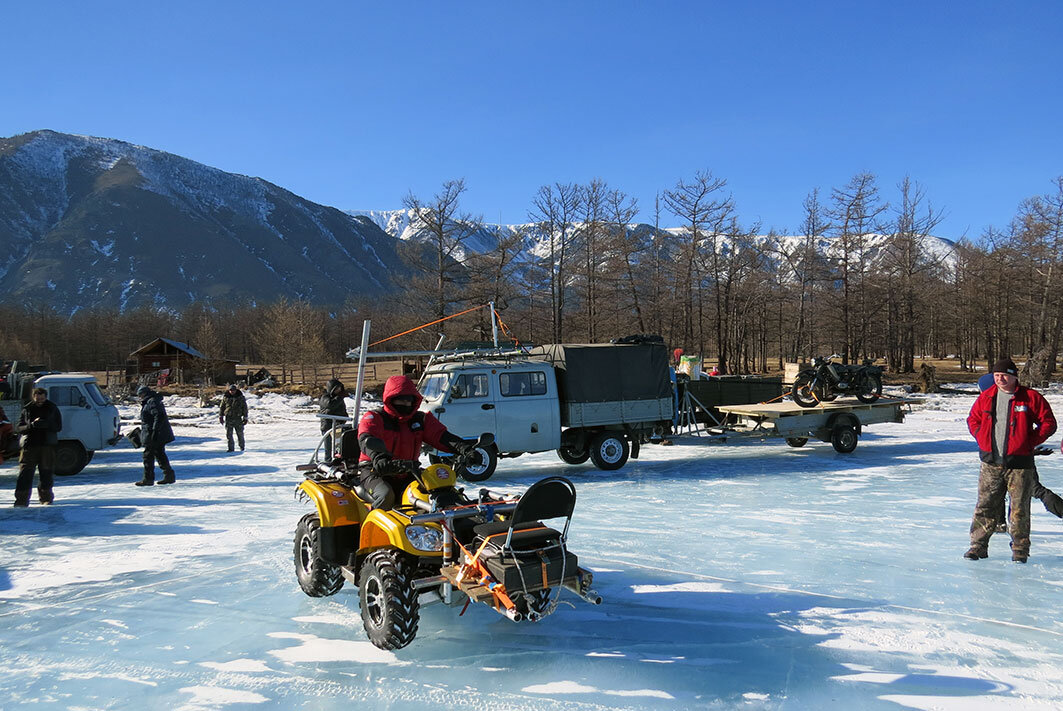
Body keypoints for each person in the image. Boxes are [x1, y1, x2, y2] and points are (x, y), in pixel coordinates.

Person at [965, 358, 1057, 562]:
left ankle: (1020, 550)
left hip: (1019, 465)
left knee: (1019, 510)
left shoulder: (1030, 398)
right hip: (991, 463)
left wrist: (1029, 441)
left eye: (1004, 375)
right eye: (997, 376)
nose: (1000, 379)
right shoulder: (987, 397)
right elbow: (973, 419)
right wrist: (981, 437)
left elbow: (1048, 423)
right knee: (985, 506)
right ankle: (978, 546)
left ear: (1014, 376)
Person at [356, 375, 471, 510]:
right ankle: (371, 530)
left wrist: (465, 449)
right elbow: (366, 438)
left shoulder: (420, 419)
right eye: (400, 400)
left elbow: (441, 436)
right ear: (390, 399)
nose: (405, 404)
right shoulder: (374, 418)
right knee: (386, 495)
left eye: (409, 400)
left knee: (442, 492)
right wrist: (378, 457)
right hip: (375, 470)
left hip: (409, 469)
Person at [975, 371, 1063, 526]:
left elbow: (1018, 433)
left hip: (1019, 461)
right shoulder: (994, 402)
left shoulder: (1011, 402)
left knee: (1034, 490)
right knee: (1000, 491)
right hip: (1007, 457)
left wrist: (1028, 445)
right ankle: (1000, 522)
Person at [13, 388, 62, 506]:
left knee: (46, 473)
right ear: (33, 397)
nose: (40, 400)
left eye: (42, 398)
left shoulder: (52, 408)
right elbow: (19, 428)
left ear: (46, 397)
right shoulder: (27, 409)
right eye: (37, 398)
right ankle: (21, 501)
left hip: (47, 446)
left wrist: (47, 425)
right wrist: (31, 425)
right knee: (25, 474)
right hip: (29, 446)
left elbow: (58, 427)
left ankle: (46, 498)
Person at [136, 385, 176, 486]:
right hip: (153, 432)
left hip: (154, 433)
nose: (139, 397)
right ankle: (169, 476)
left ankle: (148, 479)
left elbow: (159, 416)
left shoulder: (152, 401)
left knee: (148, 456)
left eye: (140, 395)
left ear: (144, 393)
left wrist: (155, 430)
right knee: (159, 454)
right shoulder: (151, 401)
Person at [319, 378, 349, 455]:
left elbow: (341, 409)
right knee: (329, 449)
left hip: (338, 426)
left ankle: (337, 461)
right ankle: (328, 461)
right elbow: (330, 405)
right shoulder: (325, 397)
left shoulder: (339, 399)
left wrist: (345, 416)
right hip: (328, 426)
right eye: (337, 388)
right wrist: (340, 397)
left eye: (340, 388)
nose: (338, 390)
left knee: (338, 449)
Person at [219, 384, 248, 452]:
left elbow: (245, 407)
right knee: (229, 434)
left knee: (240, 434)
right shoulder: (226, 397)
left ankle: (242, 447)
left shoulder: (240, 397)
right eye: (231, 390)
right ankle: (231, 449)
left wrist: (245, 417)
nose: (232, 392)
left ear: (236, 390)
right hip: (228, 418)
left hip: (238, 418)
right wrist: (221, 416)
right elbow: (222, 407)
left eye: (233, 390)